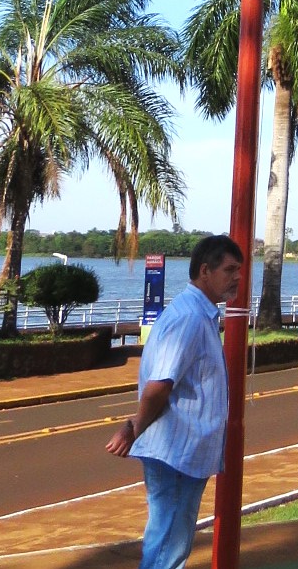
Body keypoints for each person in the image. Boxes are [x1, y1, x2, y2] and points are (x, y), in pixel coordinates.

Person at [106, 234, 244, 569]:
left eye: (239, 270)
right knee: (167, 551)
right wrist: (135, 426)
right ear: (204, 271)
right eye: (229, 270)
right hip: (177, 457)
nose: (237, 277)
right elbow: (160, 384)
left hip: (183, 456)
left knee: (167, 547)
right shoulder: (190, 319)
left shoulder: (198, 314)